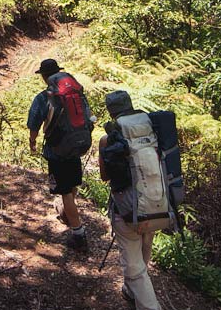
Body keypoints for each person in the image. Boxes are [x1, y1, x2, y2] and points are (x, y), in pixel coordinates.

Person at [98, 90, 162, 310]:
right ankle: (130, 290)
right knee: (144, 244)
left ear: (111, 112)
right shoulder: (154, 130)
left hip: (126, 210)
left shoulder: (108, 139)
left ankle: (149, 305)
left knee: (133, 267)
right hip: (158, 202)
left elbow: (105, 176)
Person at [27, 58, 91, 249]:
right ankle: (68, 214)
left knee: (64, 191)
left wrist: (32, 143)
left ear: (44, 77)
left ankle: (78, 233)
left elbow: (33, 124)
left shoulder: (43, 97)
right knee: (71, 185)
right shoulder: (75, 93)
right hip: (77, 145)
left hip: (57, 150)